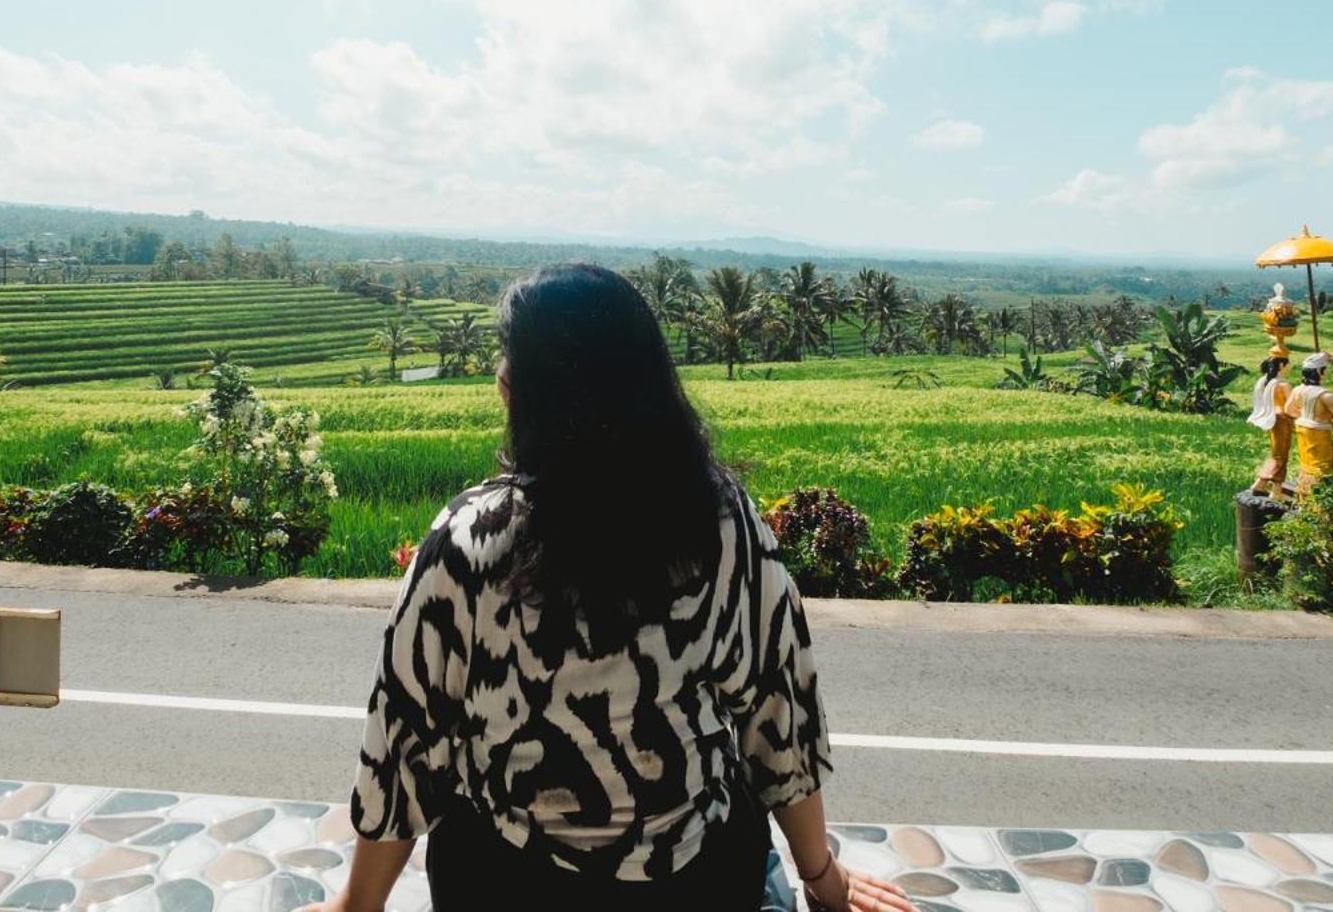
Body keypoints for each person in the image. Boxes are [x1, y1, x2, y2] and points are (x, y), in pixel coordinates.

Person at [302, 264, 913, 912]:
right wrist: (824, 879)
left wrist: (353, 907)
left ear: (521, 391)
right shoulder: (719, 519)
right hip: (697, 886)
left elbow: (405, 744)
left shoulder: (470, 542)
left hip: (510, 886)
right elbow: (778, 712)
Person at [1284, 352, 1333, 489]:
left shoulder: (1297, 390)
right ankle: (1318, 501)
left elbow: (1288, 410)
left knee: (1307, 464)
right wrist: (1327, 414)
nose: (1327, 372)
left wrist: (1302, 415)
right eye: (1325, 369)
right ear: (1319, 371)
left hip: (1302, 429)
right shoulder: (1324, 395)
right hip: (1319, 433)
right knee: (1320, 466)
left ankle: (1304, 493)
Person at [1246, 355, 1294, 497]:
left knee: (1278, 454)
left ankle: (1264, 486)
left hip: (1274, 419)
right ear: (1281, 366)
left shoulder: (1267, 383)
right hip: (1283, 420)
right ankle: (1272, 489)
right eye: (1288, 364)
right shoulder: (1283, 385)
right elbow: (1291, 407)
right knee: (1280, 456)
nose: (1290, 367)